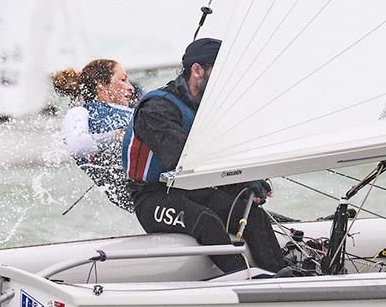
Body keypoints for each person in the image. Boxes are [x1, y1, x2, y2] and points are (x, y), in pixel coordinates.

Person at [122, 38, 287, 274]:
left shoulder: (208, 108)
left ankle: (280, 275)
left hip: (191, 190)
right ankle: (247, 279)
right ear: (198, 70)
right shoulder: (156, 109)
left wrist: (250, 182)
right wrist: (240, 180)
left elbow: (223, 153)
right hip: (151, 198)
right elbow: (184, 161)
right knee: (207, 222)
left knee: (251, 214)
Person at [53, 59, 137, 210]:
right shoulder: (79, 113)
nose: (130, 87)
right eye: (123, 80)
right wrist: (118, 136)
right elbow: (77, 146)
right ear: (102, 85)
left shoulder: (134, 111)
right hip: (137, 193)